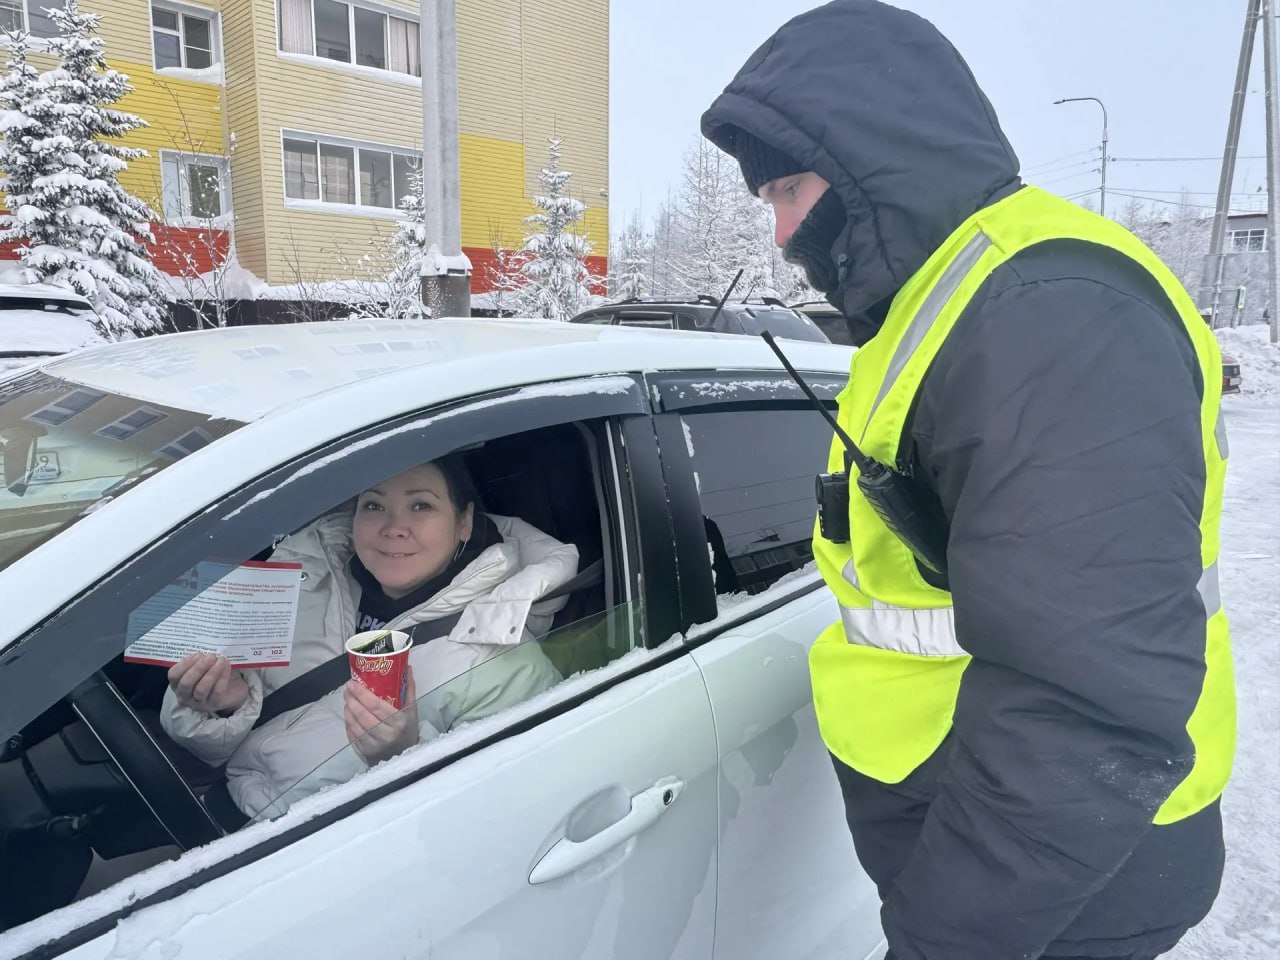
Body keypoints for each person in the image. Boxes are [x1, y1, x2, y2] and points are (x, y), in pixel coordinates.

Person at [701, 3, 1235, 959]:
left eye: (788, 189)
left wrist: (946, 938)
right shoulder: (952, 300)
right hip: (994, 837)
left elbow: (1085, 702)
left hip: (1064, 884)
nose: (783, 234)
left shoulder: (1047, 316)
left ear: (869, 157)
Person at [160, 455, 576, 818]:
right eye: (374, 505)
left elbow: (500, 817)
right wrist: (225, 707)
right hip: (208, 802)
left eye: (420, 505)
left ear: (463, 522)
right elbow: (213, 744)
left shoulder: (503, 660)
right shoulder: (304, 579)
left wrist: (401, 755)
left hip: (305, 853)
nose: (394, 527)